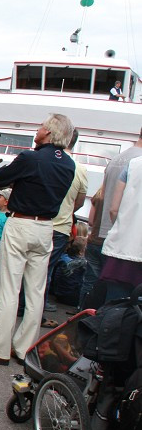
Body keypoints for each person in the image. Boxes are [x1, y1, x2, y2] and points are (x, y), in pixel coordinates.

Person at [0, 113, 76, 365]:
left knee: (9, 288)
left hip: (22, 222)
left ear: (48, 133)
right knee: (36, 292)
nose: (37, 131)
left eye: (40, 127)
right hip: (46, 227)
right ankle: (25, 347)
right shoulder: (68, 164)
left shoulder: (32, 158)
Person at [79, 128, 142, 309]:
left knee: (110, 306)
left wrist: (123, 228)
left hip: (118, 249)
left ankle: (85, 326)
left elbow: (113, 208)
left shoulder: (125, 162)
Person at [42, 129, 87, 319]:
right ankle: (38, 305)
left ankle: (22, 303)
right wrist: (67, 211)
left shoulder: (45, 160)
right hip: (61, 225)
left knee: (30, 265)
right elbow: (81, 201)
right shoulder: (79, 169)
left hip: (40, 220)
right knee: (47, 268)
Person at [97, 155, 142, 301]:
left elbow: (114, 210)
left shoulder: (133, 164)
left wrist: (125, 227)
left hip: (123, 253)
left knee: (115, 311)